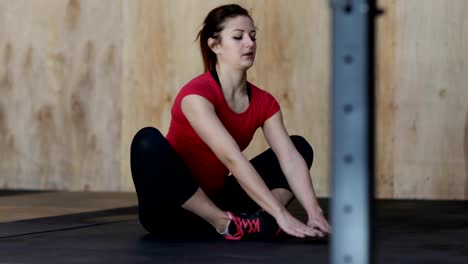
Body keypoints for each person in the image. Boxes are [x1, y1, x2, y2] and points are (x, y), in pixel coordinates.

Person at [130, 4, 330, 241]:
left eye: (253, 36)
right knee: (146, 140)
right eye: (238, 37)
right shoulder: (196, 96)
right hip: (170, 210)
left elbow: (289, 157)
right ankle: (226, 223)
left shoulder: (264, 102)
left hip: (219, 198)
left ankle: (258, 220)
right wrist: (281, 213)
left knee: (299, 146)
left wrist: (314, 212)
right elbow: (231, 158)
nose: (250, 43)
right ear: (215, 45)